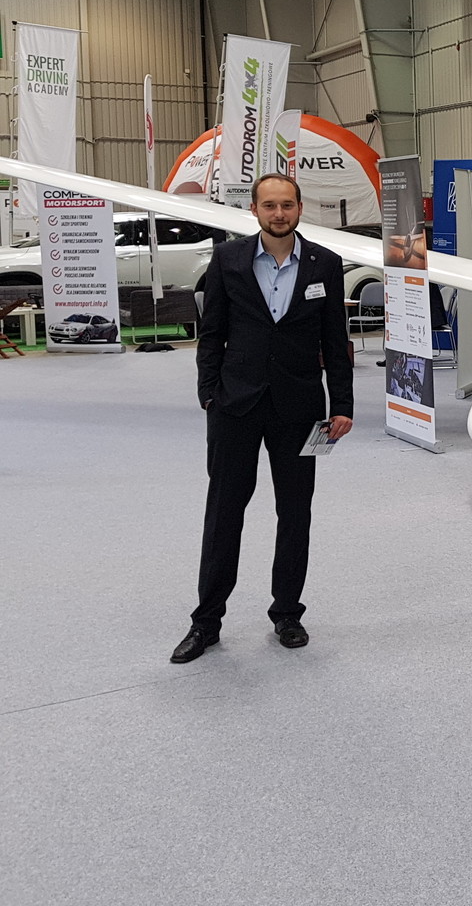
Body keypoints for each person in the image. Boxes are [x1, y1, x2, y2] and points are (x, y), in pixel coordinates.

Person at [170, 173, 354, 663]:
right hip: (235, 405)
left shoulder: (324, 263)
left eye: (287, 205)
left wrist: (342, 405)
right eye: (269, 205)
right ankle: (206, 622)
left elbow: (335, 339)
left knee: (295, 513)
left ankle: (288, 613)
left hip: (301, 408)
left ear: (299, 208)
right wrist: (208, 393)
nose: (279, 214)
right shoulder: (228, 259)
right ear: (254, 210)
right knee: (224, 512)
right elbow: (212, 333)